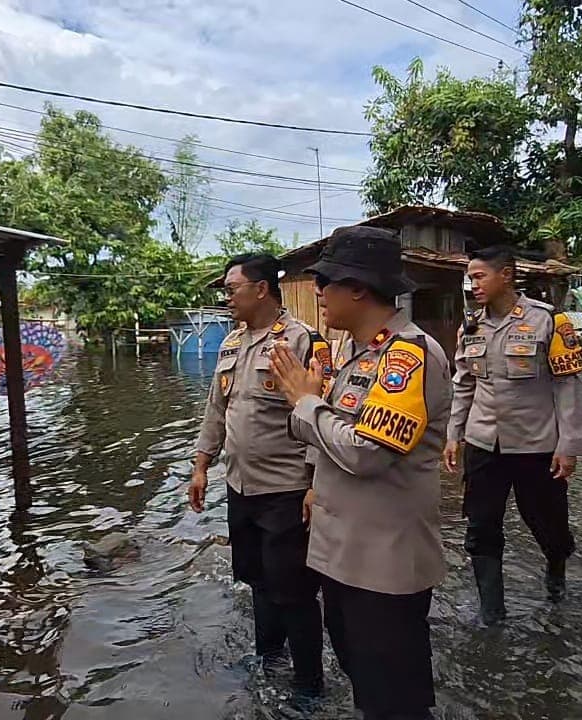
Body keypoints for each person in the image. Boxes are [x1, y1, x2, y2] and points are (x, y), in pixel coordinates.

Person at [268, 226, 451, 720]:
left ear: (358, 288)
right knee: (359, 668)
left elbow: (368, 453)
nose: (318, 295)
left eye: (324, 283)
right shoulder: (358, 352)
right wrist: (312, 481)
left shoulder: (406, 357)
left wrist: (305, 401)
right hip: (345, 550)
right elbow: (336, 435)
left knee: (393, 695)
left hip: (385, 561)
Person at [190, 253, 331, 699]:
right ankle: (269, 658)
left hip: (287, 489)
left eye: (232, 288)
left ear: (261, 289)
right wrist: (200, 464)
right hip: (241, 486)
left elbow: (320, 415)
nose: (226, 296)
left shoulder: (304, 342)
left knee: (293, 590)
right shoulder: (231, 343)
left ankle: (309, 686)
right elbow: (218, 408)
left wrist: (315, 484)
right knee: (257, 579)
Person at [442, 246, 582, 624]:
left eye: (479, 276)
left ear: (506, 275)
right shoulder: (470, 327)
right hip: (483, 444)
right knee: (480, 525)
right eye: (469, 278)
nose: (471, 284)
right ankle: (493, 612)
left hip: (536, 445)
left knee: (547, 524)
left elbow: (568, 387)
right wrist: (453, 434)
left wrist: (569, 446)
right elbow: (464, 384)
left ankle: (556, 567)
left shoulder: (550, 322)